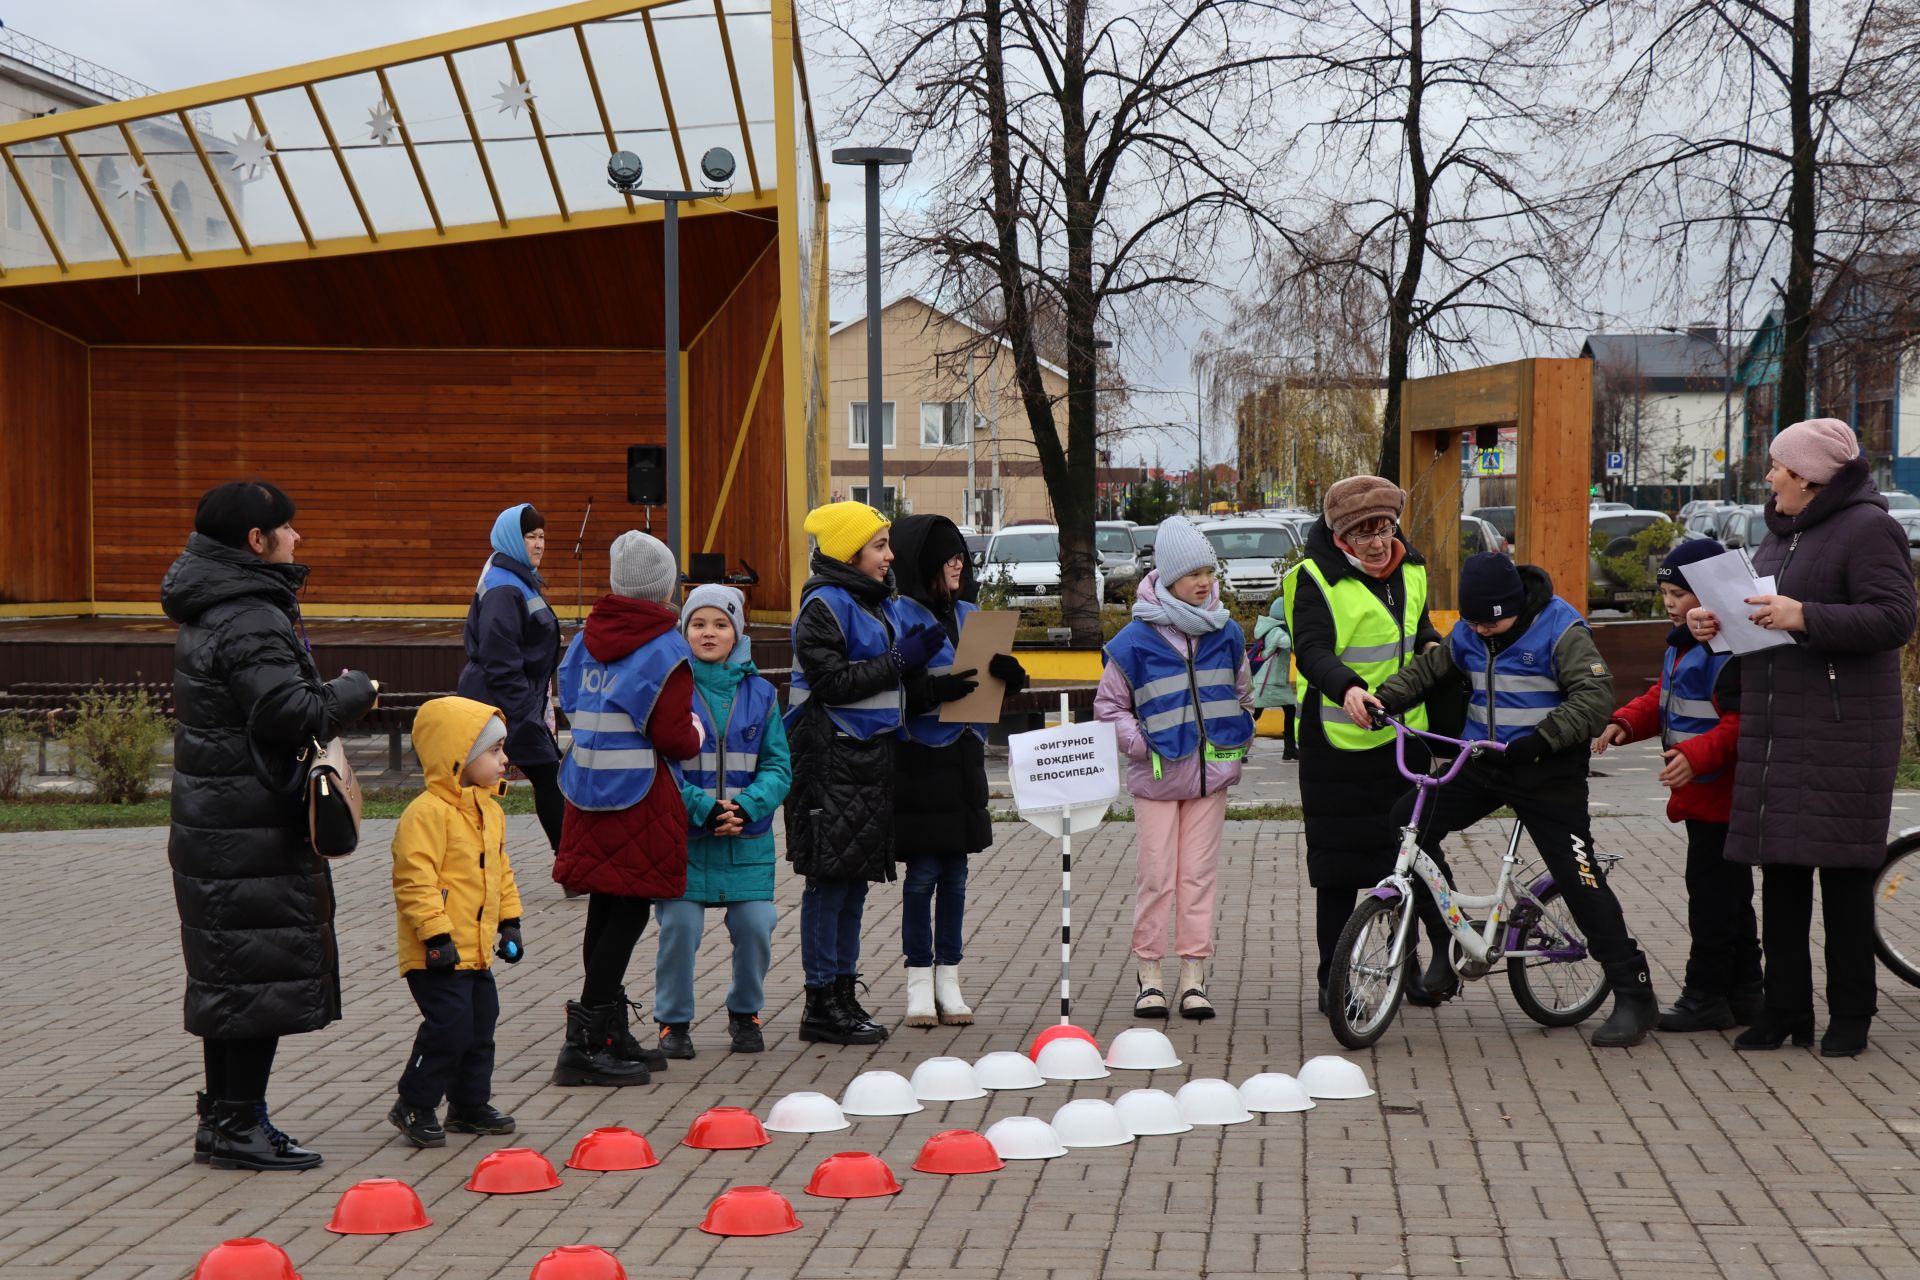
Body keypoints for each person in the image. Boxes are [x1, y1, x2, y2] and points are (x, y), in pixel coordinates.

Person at [163, 480, 379, 1171]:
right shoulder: (250, 614)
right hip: (249, 820)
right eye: (288, 527)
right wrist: (353, 691)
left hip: (220, 816)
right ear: (256, 541)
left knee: (231, 977)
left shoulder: (214, 604)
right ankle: (237, 1125)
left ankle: (227, 1119)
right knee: (252, 977)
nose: (298, 539)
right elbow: (286, 713)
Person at [1361, 552, 1661, 1047]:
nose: (1481, 631)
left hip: (1548, 769)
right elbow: (1429, 670)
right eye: (1472, 621)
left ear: (1516, 605)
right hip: (1485, 761)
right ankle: (1448, 942)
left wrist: (1542, 739)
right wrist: (1385, 699)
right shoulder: (1469, 631)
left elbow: (1593, 698)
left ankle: (1634, 993)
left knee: (1578, 877)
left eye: (1490, 620)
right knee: (1406, 823)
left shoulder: (1561, 628)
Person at [1687, 418, 1917, 1058]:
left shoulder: (1870, 527)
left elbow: (1896, 617)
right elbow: (1762, 618)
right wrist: (1717, 624)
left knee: (1843, 879)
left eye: (1778, 468)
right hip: (1777, 724)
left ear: (1811, 478)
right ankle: (1783, 1011)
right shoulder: (1780, 534)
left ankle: (1852, 1016)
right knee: (1782, 877)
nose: (1768, 477)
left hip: (1845, 731)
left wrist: (1805, 615)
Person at [1282, 476, 1446, 1013]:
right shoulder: (1312, 579)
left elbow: (1416, 628)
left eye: (1383, 528)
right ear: (1340, 537)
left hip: (1405, 739)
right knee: (1338, 870)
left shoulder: (1413, 569)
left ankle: (1410, 965)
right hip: (1336, 744)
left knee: (1407, 860)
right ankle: (1336, 979)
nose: (1376, 542)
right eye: (1362, 533)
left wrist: (1432, 648)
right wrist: (1348, 686)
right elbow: (1310, 648)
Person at [785, 501, 942, 1044]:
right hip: (830, 763)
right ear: (848, 554)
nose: (889, 555)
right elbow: (832, 683)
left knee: (852, 887)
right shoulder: (824, 606)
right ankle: (821, 1001)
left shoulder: (875, 603)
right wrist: (901, 660)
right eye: (879, 545)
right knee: (828, 885)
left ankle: (844, 993)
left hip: (867, 761)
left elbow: (888, 683)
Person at [549, 530, 697, 1087]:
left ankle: (608, 1026)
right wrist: (698, 732)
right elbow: (673, 734)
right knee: (631, 909)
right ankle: (585, 1041)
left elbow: (570, 701)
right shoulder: (665, 646)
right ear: (663, 587)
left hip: (586, 788)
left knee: (605, 907)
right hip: (639, 794)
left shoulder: (584, 639)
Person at [1593, 539, 1760, 1032]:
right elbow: (1664, 698)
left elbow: (1739, 721)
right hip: (1701, 793)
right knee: (1730, 899)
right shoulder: (1685, 645)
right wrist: (1624, 723)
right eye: (1664, 591)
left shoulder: (1728, 649)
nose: (1669, 602)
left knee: (1712, 900)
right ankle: (1747, 992)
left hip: (1719, 792)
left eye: (1679, 593)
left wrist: (1691, 756)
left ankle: (1706, 995)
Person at [1096, 515, 1255, 1020]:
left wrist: (1238, 734)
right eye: (1193, 573)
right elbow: (1109, 707)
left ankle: (1193, 974)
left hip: (1211, 777)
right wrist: (1141, 744)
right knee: (1158, 876)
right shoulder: (1133, 642)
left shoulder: (1227, 632)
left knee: (1198, 876)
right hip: (1159, 778)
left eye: (1209, 570)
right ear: (1167, 577)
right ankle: (1150, 974)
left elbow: (1242, 694)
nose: (1204, 581)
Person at [889, 514, 1030, 1027]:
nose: (958, 564)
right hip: (920, 759)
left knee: (956, 875)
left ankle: (949, 976)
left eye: (961, 556)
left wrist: (1011, 679)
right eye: (948, 556)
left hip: (963, 758)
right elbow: (885, 689)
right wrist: (930, 692)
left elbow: (990, 683)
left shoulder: (971, 613)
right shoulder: (898, 615)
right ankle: (918, 981)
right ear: (923, 563)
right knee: (923, 874)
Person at [653, 584, 792, 1058]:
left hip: (745, 843)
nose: (708, 632)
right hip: (685, 841)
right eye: (698, 623)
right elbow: (662, 767)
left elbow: (778, 768)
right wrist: (702, 809)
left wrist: (747, 807)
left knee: (757, 923)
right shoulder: (672, 687)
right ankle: (673, 1022)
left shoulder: (762, 694)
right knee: (680, 927)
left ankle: (745, 1012)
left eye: (720, 623)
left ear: (738, 633)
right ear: (683, 630)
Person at [387, 697, 524, 1148]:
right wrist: (436, 934)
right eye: (494, 751)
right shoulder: (426, 814)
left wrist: (510, 923)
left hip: (477, 949)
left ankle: (468, 1104)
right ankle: (414, 1102)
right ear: (458, 756)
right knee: (450, 1027)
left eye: (503, 749)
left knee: (481, 1023)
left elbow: (500, 874)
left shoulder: (491, 811)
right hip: (437, 951)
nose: (504, 760)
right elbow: (414, 880)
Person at [458, 503, 564, 857]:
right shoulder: (505, 587)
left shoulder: (517, 579)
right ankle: (570, 867)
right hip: (500, 705)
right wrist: (527, 714)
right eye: (530, 536)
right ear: (510, 539)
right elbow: (500, 661)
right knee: (540, 779)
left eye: (542, 536)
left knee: (542, 778)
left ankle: (570, 868)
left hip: (515, 703)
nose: (538, 544)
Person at [1252, 593, 1298, 761]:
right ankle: (1238, 746)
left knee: (1290, 710)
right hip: (1267, 682)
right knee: (1254, 714)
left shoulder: (1274, 629)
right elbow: (1290, 644)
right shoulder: (1277, 632)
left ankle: (1290, 749)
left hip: (1274, 681)